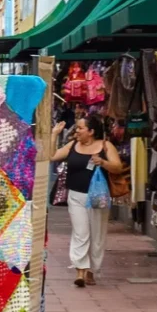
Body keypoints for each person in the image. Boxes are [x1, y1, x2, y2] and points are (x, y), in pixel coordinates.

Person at [51, 115, 121, 288]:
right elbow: (52, 156)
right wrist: (54, 134)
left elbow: (118, 167)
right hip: (75, 196)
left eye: (81, 128)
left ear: (91, 131)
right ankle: (80, 270)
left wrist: (103, 162)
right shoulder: (73, 145)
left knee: (97, 235)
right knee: (80, 232)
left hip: (98, 197)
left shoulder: (106, 146)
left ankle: (92, 270)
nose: (77, 131)